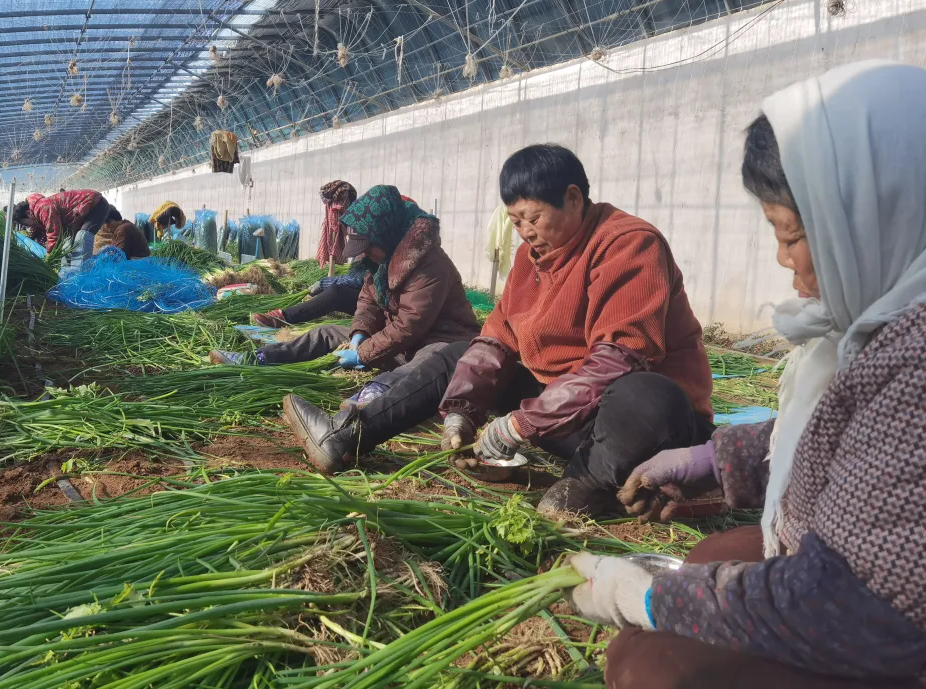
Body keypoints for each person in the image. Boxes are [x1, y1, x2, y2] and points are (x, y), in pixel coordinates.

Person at [562, 61, 926, 689]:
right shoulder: (877, 319)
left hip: (879, 623)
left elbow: (864, 607)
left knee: (649, 665)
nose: (783, 260)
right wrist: (712, 459)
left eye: (794, 234)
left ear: (879, 214)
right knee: (706, 557)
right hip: (841, 564)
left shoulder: (915, 364)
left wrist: (648, 600)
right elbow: (843, 435)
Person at [424, 144, 711, 515]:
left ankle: (588, 484)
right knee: (456, 354)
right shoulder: (532, 258)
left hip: (649, 429)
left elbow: (619, 359)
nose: (525, 232)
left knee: (643, 392)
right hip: (575, 418)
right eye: (515, 222)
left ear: (573, 198)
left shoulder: (629, 243)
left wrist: (521, 424)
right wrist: (463, 408)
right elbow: (498, 335)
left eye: (533, 217)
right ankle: (353, 432)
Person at [271, 185, 480, 474]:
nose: (365, 253)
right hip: (400, 340)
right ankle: (263, 357)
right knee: (329, 332)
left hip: (441, 340)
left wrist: (364, 354)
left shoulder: (430, 264)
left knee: (421, 367)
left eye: (368, 245)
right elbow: (368, 300)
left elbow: (410, 326)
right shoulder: (381, 259)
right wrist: (360, 333)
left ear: (386, 232)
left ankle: (365, 404)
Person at [249, 269, 363, 329]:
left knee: (337, 292)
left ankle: (285, 318)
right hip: (369, 300)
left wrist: (324, 283)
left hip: (378, 306)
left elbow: (359, 280)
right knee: (336, 292)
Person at [13, 189, 110, 257]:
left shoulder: (42, 207)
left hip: (96, 205)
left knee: (82, 240)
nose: (29, 226)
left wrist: (49, 257)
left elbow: (54, 233)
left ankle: (83, 278)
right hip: (80, 215)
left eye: (26, 223)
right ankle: (73, 275)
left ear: (27, 213)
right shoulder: (35, 212)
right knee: (68, 245)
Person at [317, 180, 357, 268]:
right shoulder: (337, 199)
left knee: (334, 248)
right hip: (333, 226)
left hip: (335, 226)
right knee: (332, 248)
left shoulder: (338, 197)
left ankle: (331, 272)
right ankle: (330, 273)